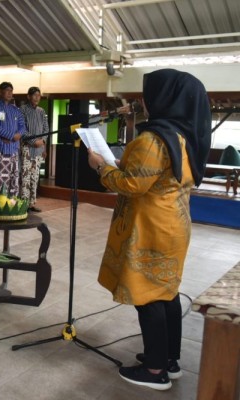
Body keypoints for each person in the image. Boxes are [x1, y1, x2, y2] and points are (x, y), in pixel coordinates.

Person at [87, 69, 211, 391]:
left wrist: (102, 166)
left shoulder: (153, 140)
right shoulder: (183, 137)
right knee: (166, 293)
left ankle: (155, 372)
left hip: (151, 227)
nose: (143, 101)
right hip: (175, 225)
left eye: (149, 94)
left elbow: (131, 184)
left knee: (148, 296)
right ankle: (169, 360)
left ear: (164, 99)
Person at [0, 81, 25, 197]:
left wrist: (18, 135)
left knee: (13, 180)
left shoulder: (15, 110)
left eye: (11, 91)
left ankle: (11, 207)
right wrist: (11, 136)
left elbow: (22, 126)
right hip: (0, 149)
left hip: (14, 149)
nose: (9, 93)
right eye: (7, 90)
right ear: (0, 92)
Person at [19, 86, 48, 212]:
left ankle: (32, 203)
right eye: (34, 95)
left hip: (39, 149)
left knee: (35, 177)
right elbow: (22, 130)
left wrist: (43, 144)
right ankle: (24, 204)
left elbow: (46, 129)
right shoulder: (22, 110)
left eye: (39, 95)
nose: (37, 97)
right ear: (28, 96)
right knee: (25, 176)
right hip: (27, 148)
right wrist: (33, 141)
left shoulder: (42, 111)